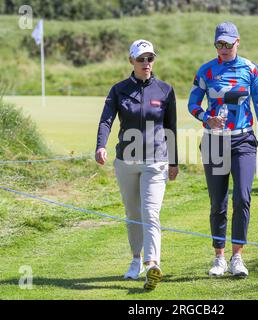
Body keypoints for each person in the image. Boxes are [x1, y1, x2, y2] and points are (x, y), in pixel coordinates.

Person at [188, 22, 258, 277]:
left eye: (228, 43)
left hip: (243, 141)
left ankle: (238, 257)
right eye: (219, 44)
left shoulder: (251, 69)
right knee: (218, 202)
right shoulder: (206, 71)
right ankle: (219, 258)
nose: (223, 49)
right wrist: (206, 118)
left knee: (243, 198)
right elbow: (192, 103)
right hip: (214, 140)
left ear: (238, 41)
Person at [95, 39, 179, 290]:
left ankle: (153, 264)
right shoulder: (119, 89)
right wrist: (101, 145)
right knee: (133, 214)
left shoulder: (165, 90)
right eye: (141, 59)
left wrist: (174, 162)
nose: (146, 63)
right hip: (126, 162)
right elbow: (106, 121)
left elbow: (170, 128)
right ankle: (136, 260)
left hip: (156, 161)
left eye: (150, 58)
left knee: (150, 213)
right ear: (131, 60)